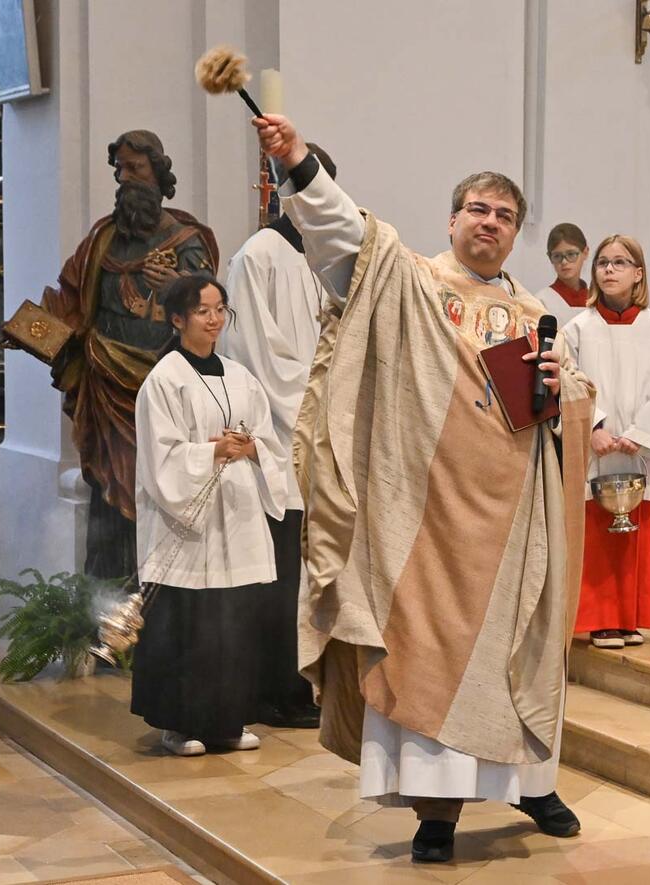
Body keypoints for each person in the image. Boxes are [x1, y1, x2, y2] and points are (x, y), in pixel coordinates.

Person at [254, 113, 595, 864]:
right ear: (452, 218)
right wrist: (298, 160)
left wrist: (559, 393)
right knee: (422, 659)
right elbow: (345, 236)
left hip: (511, 531)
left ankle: (532, 784)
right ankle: (434, 813)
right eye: (480, 209)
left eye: (506, 216)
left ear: (516, 235)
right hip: (425, 520)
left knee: (521, 651)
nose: (492, 223)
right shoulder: (410, 283)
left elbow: (570, 407)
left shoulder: (541, 316)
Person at [37, 130, 219, 580]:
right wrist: (33, 330)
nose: (124, 178)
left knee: (156, 485)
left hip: (161, 386)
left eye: (134, 168)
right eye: (119, 169)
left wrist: (173, 286)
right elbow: (72, 297)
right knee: (107, 488)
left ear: (157, 171)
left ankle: (155, 598)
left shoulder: (185, 239)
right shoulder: (103, 237)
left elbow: (207, 310)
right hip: (105, 382)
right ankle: (103, 606)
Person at [131, 275, 286, 757]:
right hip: (188, 523)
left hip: (236, 517)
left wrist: (253, 448)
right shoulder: (165, 379)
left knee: (234, 622)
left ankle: (226, 723)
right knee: (188, 622)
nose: (215, 318)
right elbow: (161, 457)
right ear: (178, 319)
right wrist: (212, 450)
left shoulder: (241, 377)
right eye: (203, 310)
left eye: (221, 309)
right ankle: (178, 725)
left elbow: (271, 441)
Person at [219, 143, 338, 730]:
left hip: (324, 433)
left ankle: (310, 684)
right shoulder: (257, 256)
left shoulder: (326, 260)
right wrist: (315, 403)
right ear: (281, 194)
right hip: (281, 438)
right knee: (280, 573)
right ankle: (276, 691)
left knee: (315, 567)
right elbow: (253, 356)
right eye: (304, 189)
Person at [561, 235, 650, 650]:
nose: (609, 270)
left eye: (619, 263)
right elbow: (566, 379)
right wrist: (592, 427)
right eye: (601, 263)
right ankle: (599, 619)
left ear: (638, 274)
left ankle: (629, 617)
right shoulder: (577, 329)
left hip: (637, 452)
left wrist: (640, 434)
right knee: (596, 533)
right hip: (594, 451)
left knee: (635, 526)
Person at [536, 223, 590, 328]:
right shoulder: (541, 301)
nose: (564, 262)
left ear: (585, 252)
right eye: (557, 256)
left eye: (571, 254)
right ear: (549, 257)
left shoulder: (596, 300)